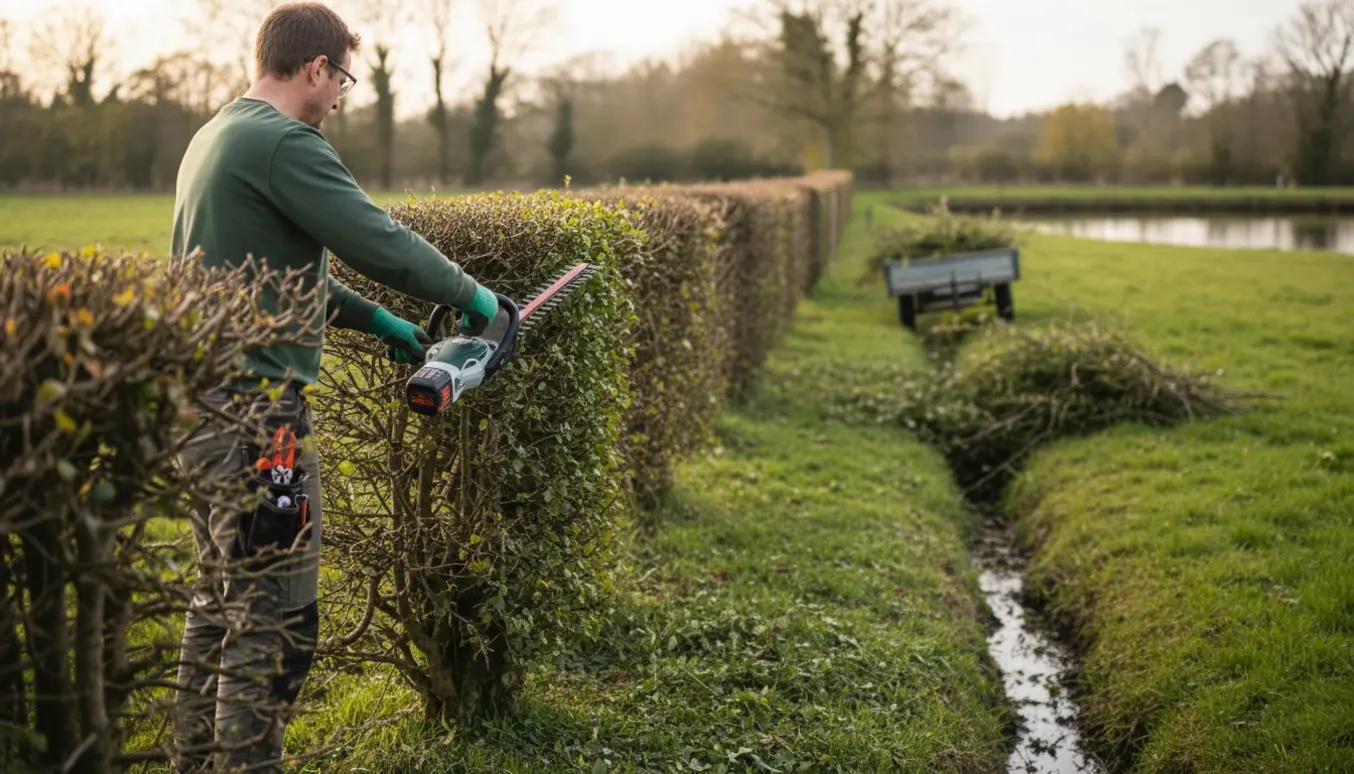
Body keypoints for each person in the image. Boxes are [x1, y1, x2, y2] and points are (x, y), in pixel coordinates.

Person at [168, 2, 498, 771]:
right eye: (343, 77)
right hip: (259, 423)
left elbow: (258, 273)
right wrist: (480, 301)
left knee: (218, 605)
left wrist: (377, 321)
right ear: (316, 67)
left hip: (201, 410)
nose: (344, 94)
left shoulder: (217, 135)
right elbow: (376, 237)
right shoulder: (287, 143)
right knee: (275, 620)